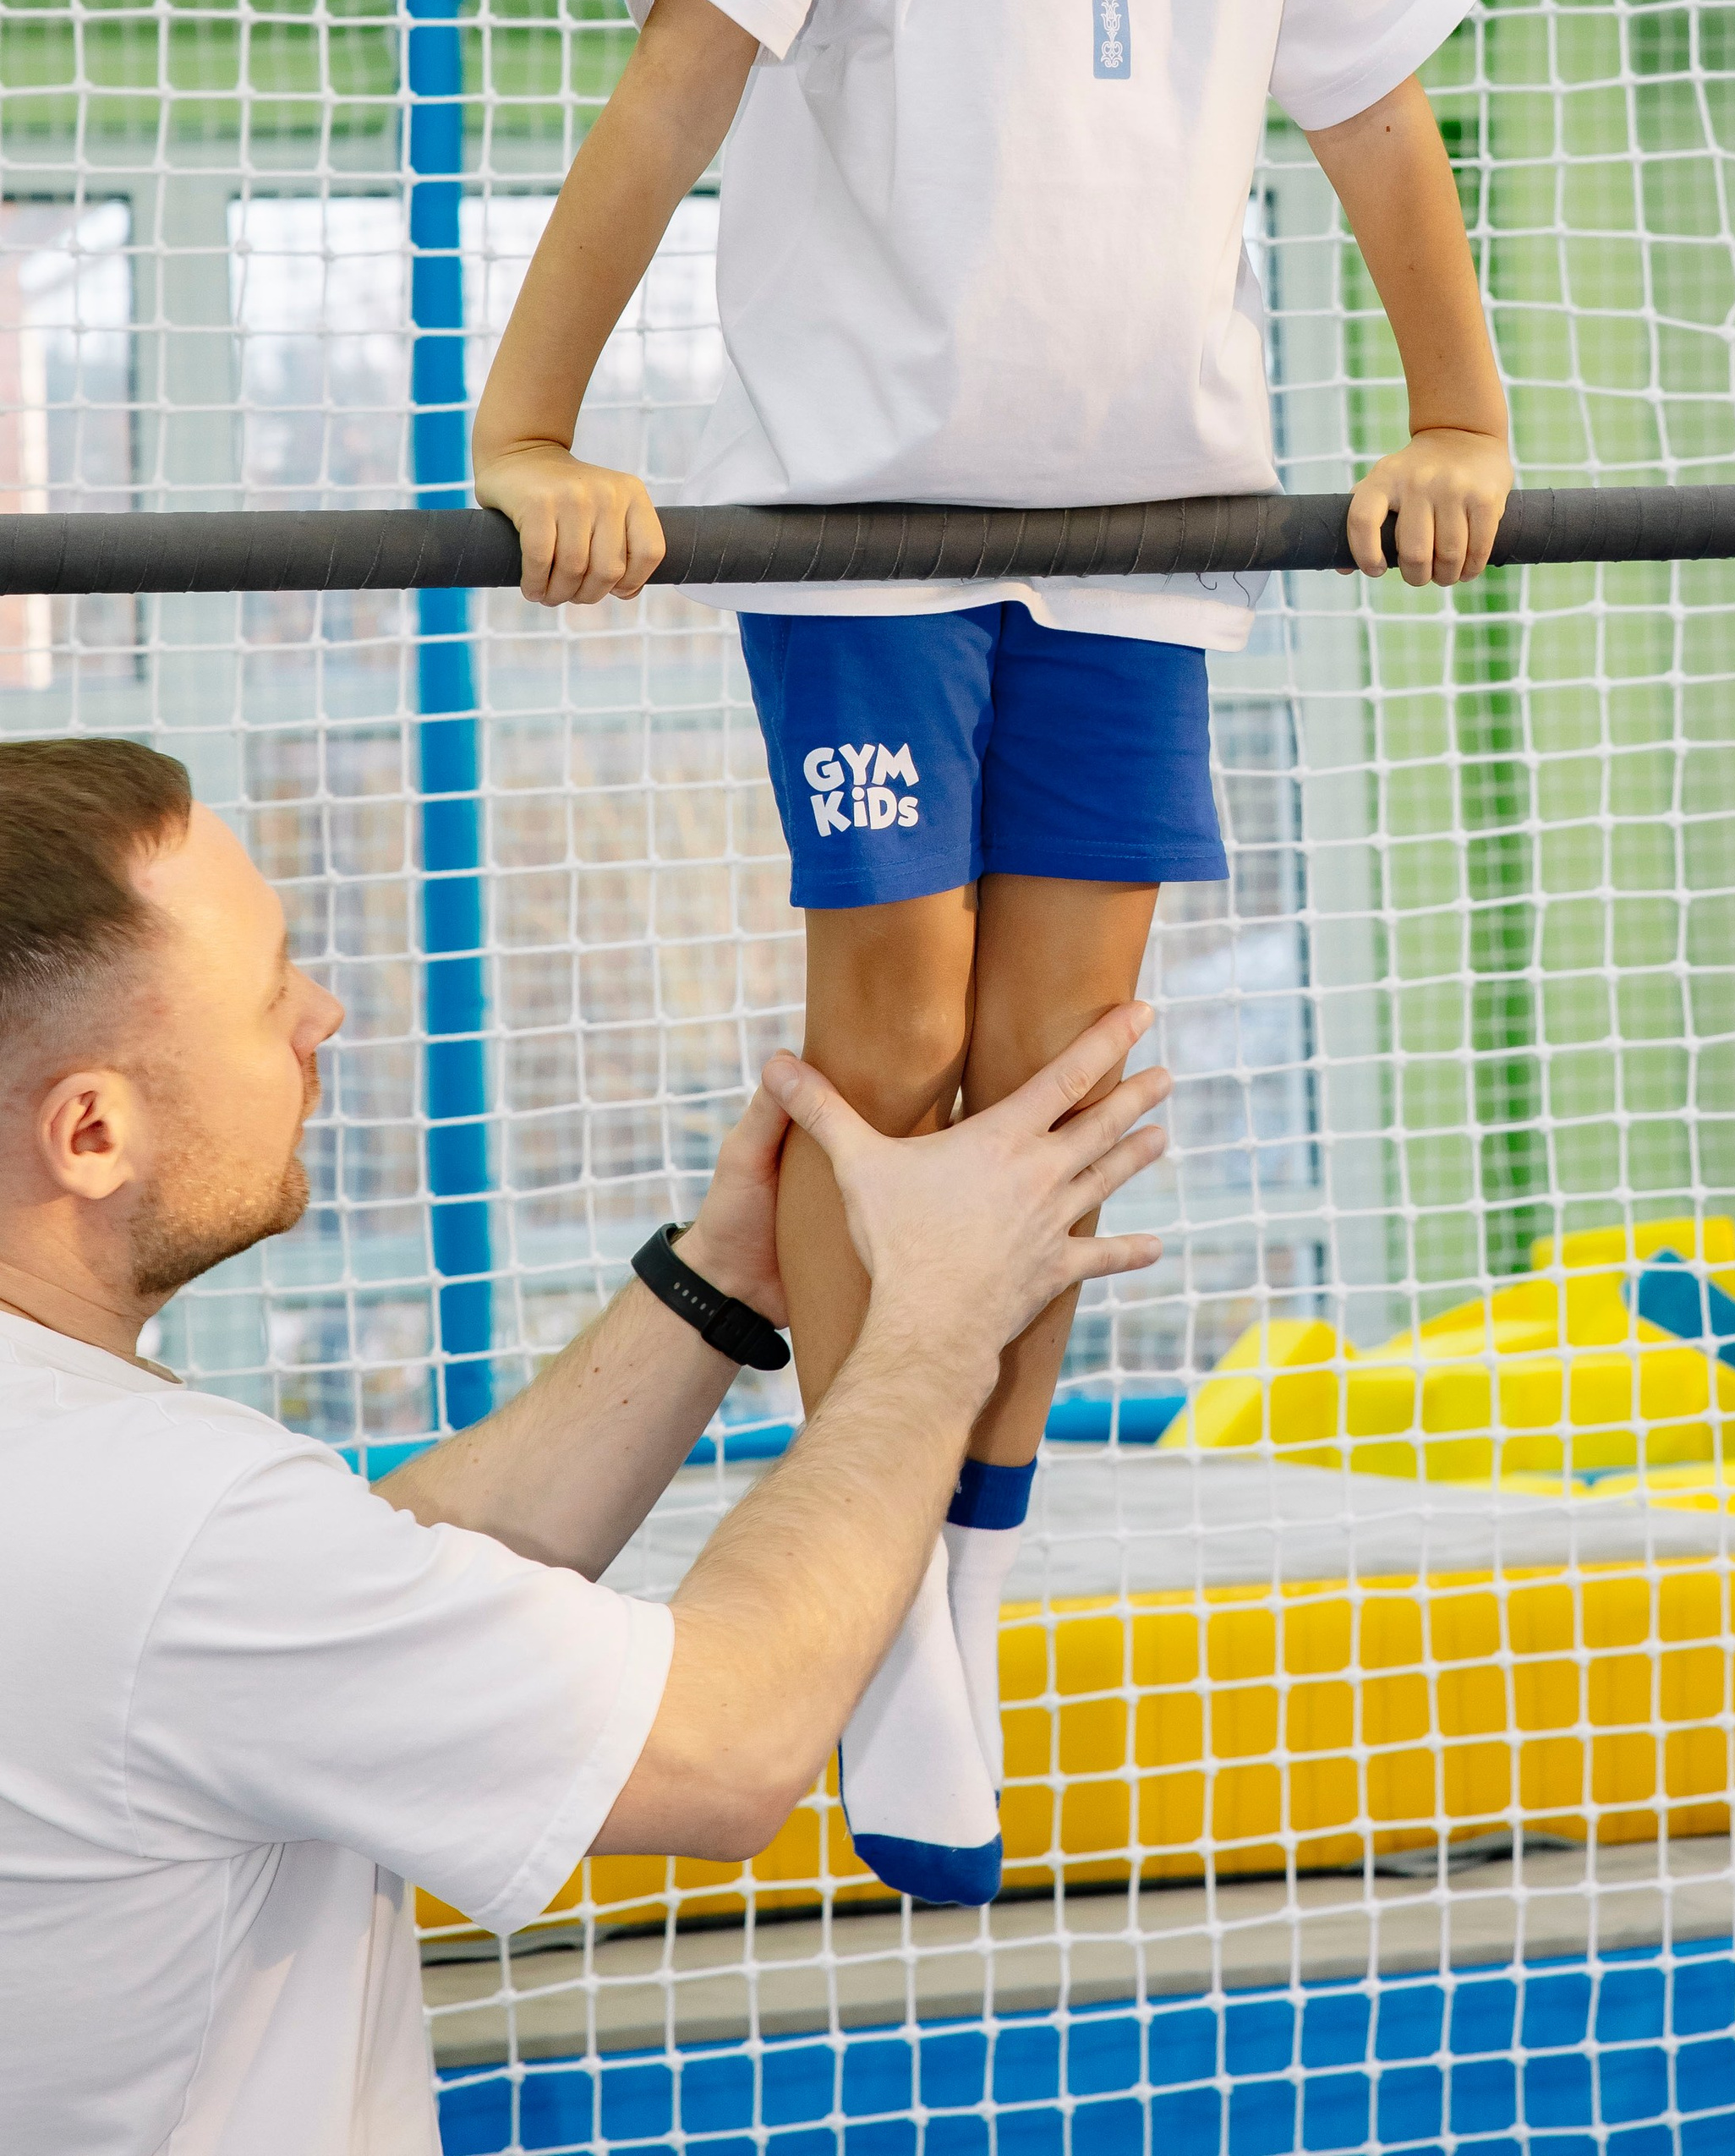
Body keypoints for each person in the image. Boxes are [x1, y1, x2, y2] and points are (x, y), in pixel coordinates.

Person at [471, 0, 1511, 1903]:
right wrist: (538, 423)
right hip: (869, 526)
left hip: (1150, 525)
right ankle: (880, 1581)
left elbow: (1374, 106)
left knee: (1052, 1083)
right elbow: (675, 96)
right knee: (897, 1025)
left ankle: (978, 1561)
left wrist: (1459, 412)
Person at [0, 736, 1169, 2153]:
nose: (324, 1011)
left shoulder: (87, 1476)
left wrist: (719, 1278)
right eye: (267, 999)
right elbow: (730, 1745)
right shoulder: (157, 1529)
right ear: (91, 1129)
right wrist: (938, 1319)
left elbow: (361, 1591)